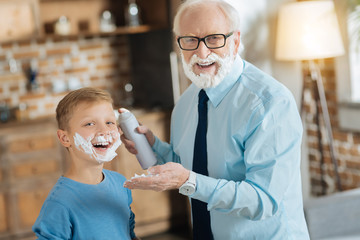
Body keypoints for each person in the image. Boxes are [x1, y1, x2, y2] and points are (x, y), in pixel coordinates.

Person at [121, 0, 310, 239]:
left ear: (235, 40)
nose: (202, 53)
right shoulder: (186, 103)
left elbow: (263, 200)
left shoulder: (270, 103)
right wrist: (154, 148)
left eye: (213, 39)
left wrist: (190, 181)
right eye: (190, 40)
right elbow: (190, 164)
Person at [33, 87, 139, 240]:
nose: (104, 131)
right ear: (64, 138)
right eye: (89, 124)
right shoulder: (60, 203)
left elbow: (129, 233)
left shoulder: (121, 183)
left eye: (109, 122)